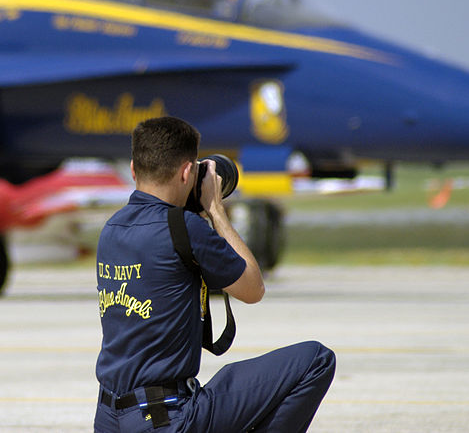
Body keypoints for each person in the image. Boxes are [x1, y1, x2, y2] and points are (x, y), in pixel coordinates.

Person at [94, 116, 335, 432]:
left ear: (133, 169)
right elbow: (252, 289)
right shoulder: (184, 228)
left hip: (109, 418)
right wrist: (215, 209)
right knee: (317, 359)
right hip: (167, 419)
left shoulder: (111, 228)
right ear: (186, 172)